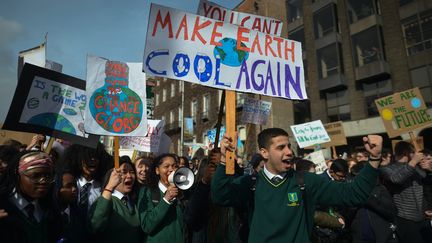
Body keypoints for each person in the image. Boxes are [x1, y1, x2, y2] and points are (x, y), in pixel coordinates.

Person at [211, 128, 383, 243]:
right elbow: (220, 196)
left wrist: (374, 158)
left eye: (289, 146)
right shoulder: (251, 183)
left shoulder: (305, 181)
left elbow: (353, 194)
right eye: (281, 147)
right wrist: (225, 159)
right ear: (264, 153)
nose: (289, 152)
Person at [0, 151, 61, 242]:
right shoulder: (3, 208)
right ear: (17, 175)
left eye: (48, 176)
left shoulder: (49, 209)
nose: (43, 181)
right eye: (35, 176)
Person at [380, 141, 432, 243]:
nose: (416, 155)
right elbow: (396, 179)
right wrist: (413, 162)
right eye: (413, 153)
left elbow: (428, 183)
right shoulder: (387, 169)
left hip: (423, 217)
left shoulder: (417, 167)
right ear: (406, 153)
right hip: (405, 218)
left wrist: (430, 170)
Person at [89, 158, 143, 243]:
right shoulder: (105, 201)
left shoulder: (134, 202)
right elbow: (95, 225)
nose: (129, 176)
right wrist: (109, 187)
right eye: (124, 172)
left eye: (132, 172)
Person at [138, 153, 185, 243]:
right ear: (157, 170)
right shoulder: (147, 192)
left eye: (174, 166)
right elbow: (147, 226)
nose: (171, 170)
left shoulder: (182, 192)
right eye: (166, 166)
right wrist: (166, 200)